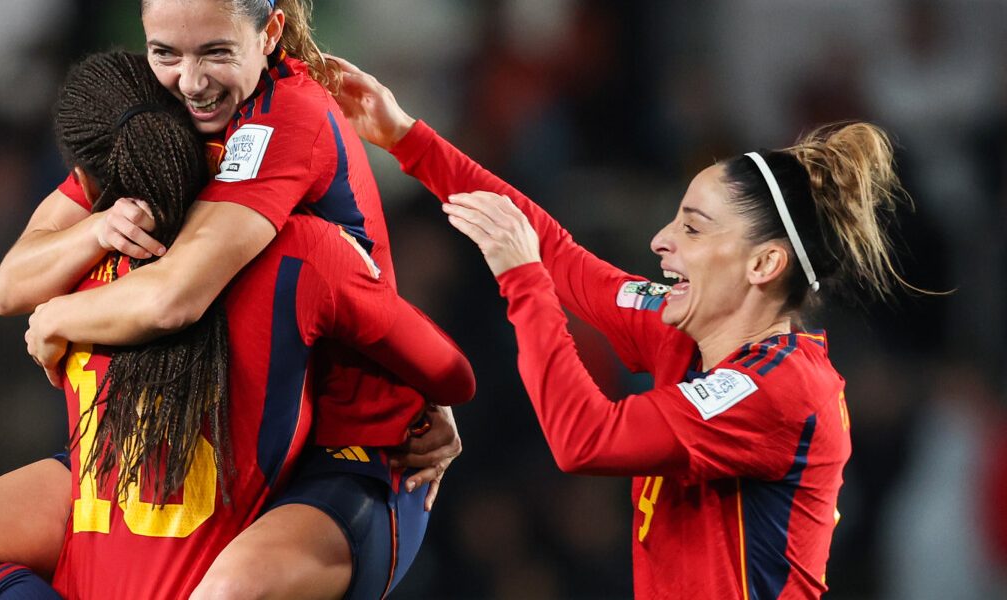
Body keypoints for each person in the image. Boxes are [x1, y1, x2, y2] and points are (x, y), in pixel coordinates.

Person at [0, 0, 467, 596]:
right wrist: (95, 229)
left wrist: (57, 317)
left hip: (342, 454)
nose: (192, 81)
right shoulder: (155, 117)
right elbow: (7, 286)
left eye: (216, 52)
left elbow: (174, 297)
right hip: (203, 435)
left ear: (270, 32)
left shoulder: (285, 119)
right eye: (165, 53)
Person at [330, 56, 924, 599]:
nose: (660, 241)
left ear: (764, 265)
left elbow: (585, 438)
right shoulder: (683, 328)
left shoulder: (780, 390)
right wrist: (407, 139)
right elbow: (556, 253)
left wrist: (522, 279)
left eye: (692, 229)